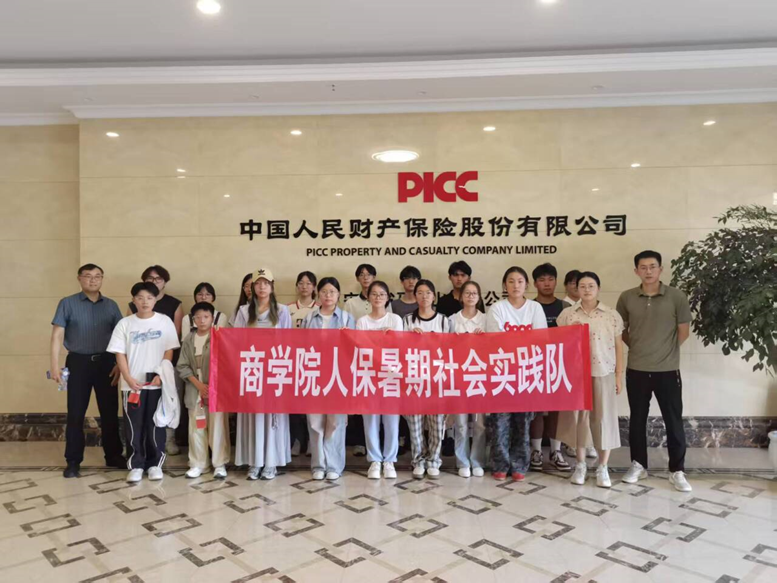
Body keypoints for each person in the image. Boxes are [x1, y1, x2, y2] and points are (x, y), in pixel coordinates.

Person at [617, 250, 693, 492]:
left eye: (652, 266)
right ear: (636, 271)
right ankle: (639, 465)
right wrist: (640, 348)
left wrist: (664, 351)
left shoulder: (676, 296)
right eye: (643, 267)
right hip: (636, 368)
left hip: (667, 370)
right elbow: (621, 331)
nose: (648, 271)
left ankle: (677, 470)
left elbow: (683, 331)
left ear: (661, 269)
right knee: (637, 419)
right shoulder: (627, 297)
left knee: (673, 421)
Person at [50, 263, 125, 478]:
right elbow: (57, 335)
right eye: (88, 276)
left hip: (106, 363)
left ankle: (113, 455)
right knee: (76, 413)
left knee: (110, 412)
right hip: (78, 363)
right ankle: (73, 461)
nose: (93, 280)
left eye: (97, 276)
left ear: (102, 279)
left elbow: (122, 337)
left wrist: (119, 364)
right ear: (79, 278)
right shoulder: (67, 303)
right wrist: (54, 365)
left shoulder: (111, 305)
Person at [557, 272, 624, 488]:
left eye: (591, 285)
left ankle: (603, 467)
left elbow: (619, 347)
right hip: (576, 375)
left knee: (604, 419)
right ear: (576, 289)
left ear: (598, 288)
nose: (587, 290)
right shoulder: (567, 315)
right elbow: (560, 344)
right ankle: (580, 464)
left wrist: (618, 375)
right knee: (579, 420)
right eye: (582, 286)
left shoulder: (611, 315)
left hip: (604, 372)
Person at [108, 282, 180, 483]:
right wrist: (128, 377)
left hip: (157, 383)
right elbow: (119, 353)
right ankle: (136, 465)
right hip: (132, 385)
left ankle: (155, 464)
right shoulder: (125, 324)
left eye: (149, 297)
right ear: (133, 300)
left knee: (156, 424)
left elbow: (169, 350)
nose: (145, 302)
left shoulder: (164, 321)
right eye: (140, 298)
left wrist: (161, 374)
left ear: (155, 300)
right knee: (134, 426)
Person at [486, 267, 547, 481]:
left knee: (523, 422)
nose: (515, 285)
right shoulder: (497, 308)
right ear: (505, 285)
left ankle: (520, 464)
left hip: (527, 373)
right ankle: (500, 464)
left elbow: (540, 339)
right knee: (500, 422)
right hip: (502, 372)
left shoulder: (535, 308)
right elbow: (496, 339)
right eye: (511, 281)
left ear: (527, 285)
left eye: (520, 281)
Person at [233, 268, 292, 480]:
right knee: (253, 416)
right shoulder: (243, 311)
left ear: (272, 286)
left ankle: (271, 462)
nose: (261, 287)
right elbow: (236, 341)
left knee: (272, 417)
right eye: (257, 283)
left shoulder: (282, 311)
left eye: (266, 283)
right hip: (251, 370)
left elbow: (288, 342)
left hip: (275, 370)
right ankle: (254, 462)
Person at [301, 277, 355, 481]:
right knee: (315, 422)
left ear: (338, 294)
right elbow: (301, 345)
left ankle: (334, 465)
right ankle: (318, 464)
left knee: (335, 422)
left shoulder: (347, 318)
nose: (328, 295)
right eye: (324, 291)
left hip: (338, 375)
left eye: (332, 291)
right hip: (314, 374)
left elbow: (354, 349)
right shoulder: (309, 318)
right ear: (318, 294)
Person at [127, 265, 184, 456]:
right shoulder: (132, 306)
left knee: (168, 398)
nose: (154, 282)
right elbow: (127, 340)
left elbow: (174, 336)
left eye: (158, 279)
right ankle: (139, 446)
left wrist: (163, 365)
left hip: (166, 361)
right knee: (140, 405)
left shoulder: (174, 304)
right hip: (138, 364)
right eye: (150, 279)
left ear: (165, 282)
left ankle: (168, 439)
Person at [403, 279, 451, 479]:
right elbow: (399, 349)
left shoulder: (443, 320)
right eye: (420, 292)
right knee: (415, 423)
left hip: (437, 378)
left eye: (428, 292)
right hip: (414, 377)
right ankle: (418, 460)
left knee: (436, 423)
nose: (424, 296)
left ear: (434, 296)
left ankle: (434, 460)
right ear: (415, 296)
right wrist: (410, 338)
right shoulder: (407, 320)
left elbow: (450, 349)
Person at [177, 302, 230, 480]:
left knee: (217, 428)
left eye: (206, 317)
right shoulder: (188, 339)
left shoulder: (219, 336)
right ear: (193, 320)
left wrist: (213, 385)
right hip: (194, 389)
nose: (202, 320)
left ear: (212, 318)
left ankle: (219, 463)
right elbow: (182, 366)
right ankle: (198, 464)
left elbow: (227, 363)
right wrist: (198, 384)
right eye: (198, 317)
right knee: (196, 428)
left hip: (216, 391)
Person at [356, 280, 403, 480]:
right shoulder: (362, 321)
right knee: (371, 420)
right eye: (374, 294)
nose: (378, 298)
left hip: (391, 375)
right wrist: (381, 340)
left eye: (382, 294)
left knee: (391, 421)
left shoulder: (395, 319)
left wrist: (381, 340)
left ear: (387, 297)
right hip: (369, 375)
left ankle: (390, 460)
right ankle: (374, 460)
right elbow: (361, 347)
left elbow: (399, 346)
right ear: (368, 297)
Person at [529, 263, 571, 471]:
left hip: (558, 365)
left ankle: (556, 451)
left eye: (550, 279)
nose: (547, 283)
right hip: (534, 364)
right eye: (542, 279)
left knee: (557, 410)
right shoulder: (529, 307)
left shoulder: (565, 307)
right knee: (536, 409)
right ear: (535, 283)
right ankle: (536, 451)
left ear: (556, 281)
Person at [448, 280, 487, 478]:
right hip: (459, 377)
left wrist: (484, 337)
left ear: (479, 297)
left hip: (481, 376)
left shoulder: (486, 319)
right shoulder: (452, 320)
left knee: (480, 423)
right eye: (467, 293)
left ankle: (477, 461)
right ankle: (462, 461)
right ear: (461, 296)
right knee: (461, 423)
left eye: (474, 293)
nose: (471, 296)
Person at [343, 264, 376, 457]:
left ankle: (375, 441)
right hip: (356, 355)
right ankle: (359, 441)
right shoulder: (350, 303)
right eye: (361, 275)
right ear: (357, 279)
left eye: (368, 274)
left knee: (375, 399)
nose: (365, 277)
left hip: (378, 357)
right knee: (358, 398)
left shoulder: (383, 299)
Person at [288, 271, 318, 456]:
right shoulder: (287, 309)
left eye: (308, 283)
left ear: (314, 287)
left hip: (314, 361)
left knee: (312, 404)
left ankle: (312, 441)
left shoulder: (321, 308)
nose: (304, 286)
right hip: (292, 360)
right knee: (294, 404)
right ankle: (297, 440)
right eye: (301, 283)